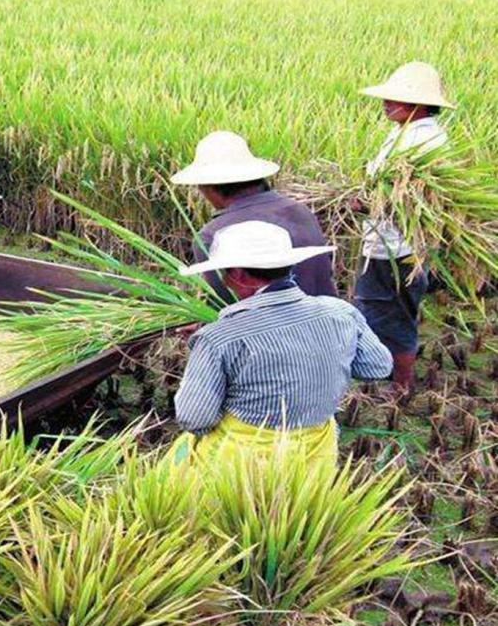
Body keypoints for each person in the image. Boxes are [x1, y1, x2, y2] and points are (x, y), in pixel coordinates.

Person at [172, 221, 392, 465]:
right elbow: (377, 367)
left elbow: (195, 419)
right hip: (316, 456)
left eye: (224, 272)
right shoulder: (341, 313)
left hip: (242, 467)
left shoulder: (217, 339)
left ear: (238, 274)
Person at [352, 61, 453, 394]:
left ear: (421, 104)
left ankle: (400, 387)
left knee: (391, 314)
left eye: (396, 98)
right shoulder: (405, 133)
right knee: (385, 311)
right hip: (393, 243)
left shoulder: (422, 142)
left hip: (395, 249)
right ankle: (388, 379)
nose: (386, 103)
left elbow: (413, 199)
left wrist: (368, 203)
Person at [172, 131, 335, 302]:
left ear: (207, 187)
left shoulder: (213, 236)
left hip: (269, 327)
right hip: (330, 320)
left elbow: (225, 304)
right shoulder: (300, 211)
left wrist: (204, 326)